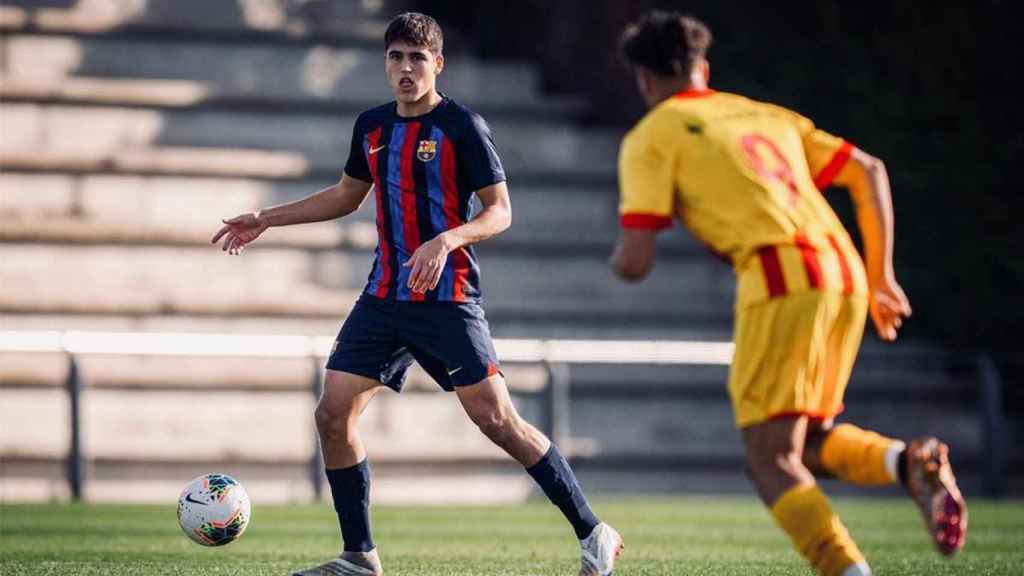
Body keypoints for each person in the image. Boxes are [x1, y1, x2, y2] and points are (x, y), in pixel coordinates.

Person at [212, 12, 622, 576]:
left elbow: (500, 211)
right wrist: (266, 217)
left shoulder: (462, 127)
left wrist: (446, 240)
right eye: (396, 57)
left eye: (417, 58)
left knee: (497, 421)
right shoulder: (372, 127)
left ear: (438, 64)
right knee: (333, 414)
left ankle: (594, 530)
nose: (406, 68)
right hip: (384, 298)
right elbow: (345, 196)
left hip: (447, 299)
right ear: (386, 63)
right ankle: (359, 556)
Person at [610, 10, 966, 576]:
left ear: (646, 80)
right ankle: (907, 462)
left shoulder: (652, 135)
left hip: (780, 279)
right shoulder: (765, 113)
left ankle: (850, 572)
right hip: (845, 272)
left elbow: (635, 261)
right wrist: (882, 275)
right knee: (808, 442)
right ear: (704, 68)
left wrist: (620, 257)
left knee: (769, 458)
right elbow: (869, 171)